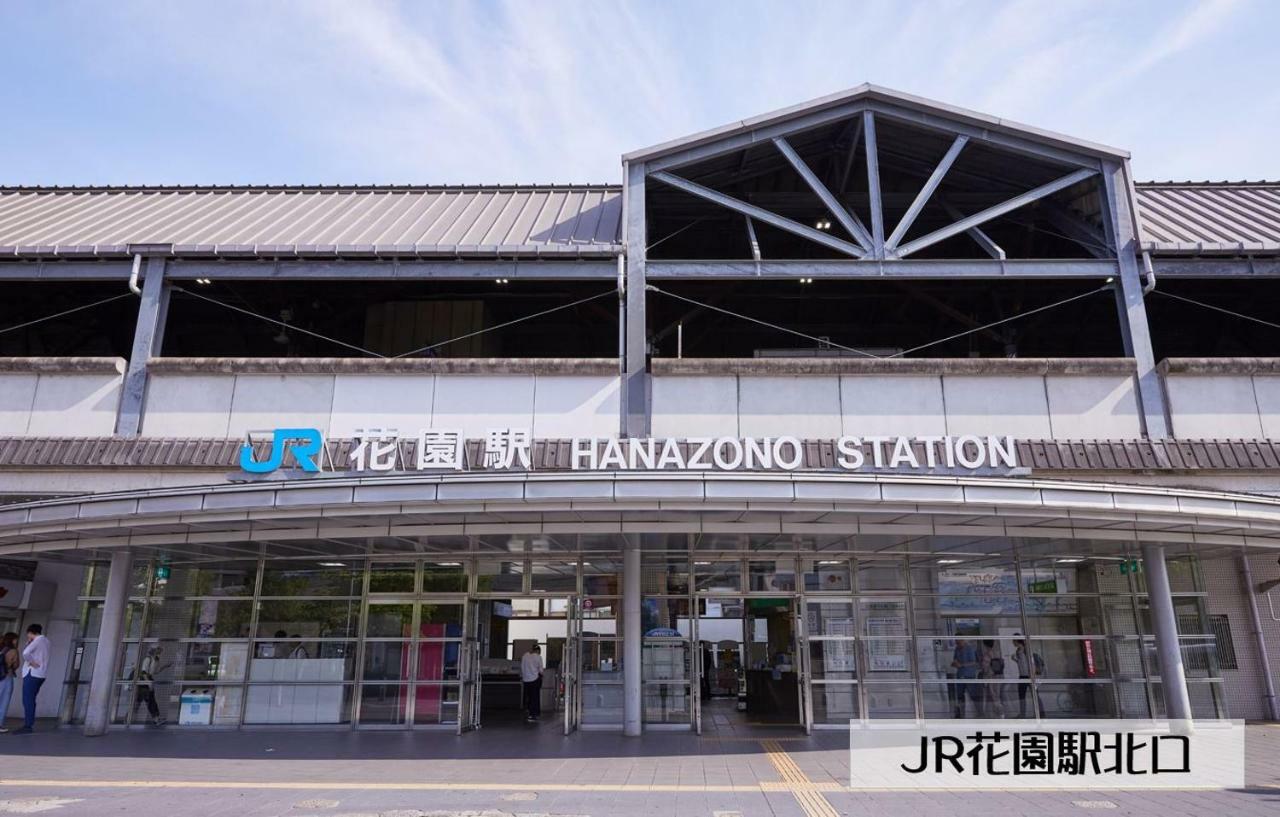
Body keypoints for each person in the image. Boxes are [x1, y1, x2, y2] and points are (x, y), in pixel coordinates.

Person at [15, 623, 49, 734]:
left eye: (28, 634)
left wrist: (31, 662)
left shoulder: (37, 641)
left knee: (27, 700)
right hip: (41, 674)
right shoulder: (46, 641)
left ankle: (28, 725)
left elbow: (25, 653)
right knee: (31, 699)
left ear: (30, 632)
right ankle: (29, 723)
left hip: (32, 673)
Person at [133, 646, 169, 726]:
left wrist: (165, 666)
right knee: (148, 700)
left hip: (148, 679)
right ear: (154, 650)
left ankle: (156, 718)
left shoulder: (155, 660)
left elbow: (156, 671)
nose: (160, 652)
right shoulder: (148, 659)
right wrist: (148, 682)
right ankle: (156, 719)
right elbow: (144, 672)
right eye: (159, 650)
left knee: (144, 700)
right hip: (144, 680)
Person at [1013, 637, 1047, 718]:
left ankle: (1041, 714)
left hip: (1030, 676)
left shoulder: (1026, 650)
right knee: (1021, 696)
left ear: (1017, 641)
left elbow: (1031, 663)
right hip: (1022, 676)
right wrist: (1015, 660)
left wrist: (1033, 676)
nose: (1013, 643)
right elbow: (1022, 664)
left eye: (1013, 641)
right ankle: (1022, 714)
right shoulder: (1018, 651)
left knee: (1035, 695)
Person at [951, 638, 981, 718]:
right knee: (960, 695)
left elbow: (973, 662)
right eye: (956, 642)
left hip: (969, 675)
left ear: (963, 640)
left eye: (959, 642)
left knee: (973, 695)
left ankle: (980, 712)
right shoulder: (957, 649)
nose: (957, 644)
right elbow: (954, 660)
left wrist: (962, 665)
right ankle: (961, 713)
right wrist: (954, 663)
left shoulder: (970, 649)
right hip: (960, 676)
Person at [0, 632, 19, 733]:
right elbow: (16, 665)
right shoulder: (13, 651)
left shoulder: (1, 648)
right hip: (6, 677)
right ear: (12, 640)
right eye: (16, 639)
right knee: (3, 702)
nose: (16, 641)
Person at [520, 645, 544, 723]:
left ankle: (529, 711)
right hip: (534, 680)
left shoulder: (525, 656)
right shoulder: (538, 657)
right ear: (538, 651)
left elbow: (522, 667)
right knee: (535, 698)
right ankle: (533, 715)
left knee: (529, 698)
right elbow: (541, 670)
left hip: (526, 680)